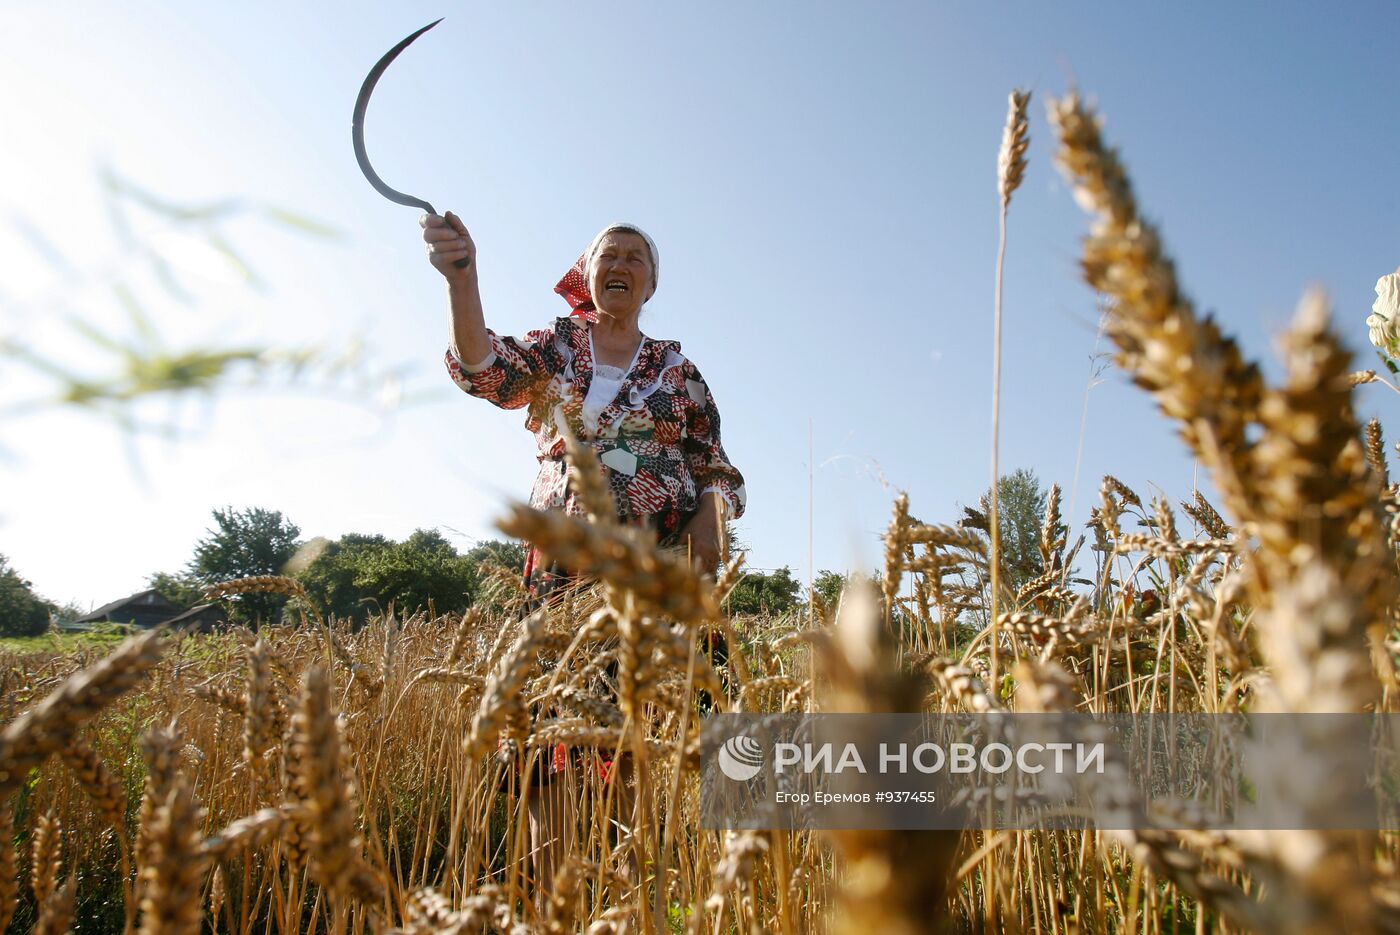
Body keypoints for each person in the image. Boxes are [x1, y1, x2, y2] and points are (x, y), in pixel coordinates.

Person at [421, 211, 746, 897]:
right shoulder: (558, 347)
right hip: (567, 567)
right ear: (588, 274)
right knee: (553, 736)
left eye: (634, 256)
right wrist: (462, 278)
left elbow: (712, 461)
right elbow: (484, 367)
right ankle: (558, 902)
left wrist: (711, 524)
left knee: (641, 734)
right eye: (607, 255)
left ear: (651, 284)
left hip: (659, 565)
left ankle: (633, 902)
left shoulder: (679, 371)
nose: (620, 264)